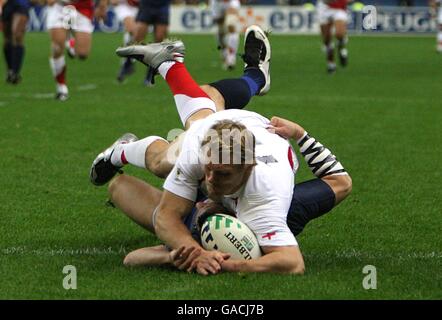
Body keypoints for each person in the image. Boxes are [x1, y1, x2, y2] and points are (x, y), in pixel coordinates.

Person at [90, 26, 351, 274]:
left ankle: (233, 74)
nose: (210, 181)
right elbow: (340, 182)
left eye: (222, 174)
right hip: (232, 131)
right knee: (169, 155)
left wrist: (190, 253)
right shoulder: (201, 151)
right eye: (209, 172)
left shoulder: (264, 200)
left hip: (245, 143)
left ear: (247, 168)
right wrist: (301, 135)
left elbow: (292, 263)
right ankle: (244, 75)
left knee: (202, 104)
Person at [46, 0, 108, 101]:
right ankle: (61, 87)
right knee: (57, 47)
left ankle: (70, 39)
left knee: (82, 54)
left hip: (83, 8)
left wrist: (102, 7)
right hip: (60, 7)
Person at [131, 0, 171, 85]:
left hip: (162, 5)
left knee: (160, 40)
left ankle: (149, 75)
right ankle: (128, 62)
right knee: (138, 38)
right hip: (147, 4)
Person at [1, 0, 31, 84]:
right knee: (7, 38)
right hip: (6, 3)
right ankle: (10, 70)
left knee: (17, 35)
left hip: (21, 3)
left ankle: (15, 72)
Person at [316, 0, 350, 73]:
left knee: (339, 34)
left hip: (338, 5)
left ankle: (341, 50)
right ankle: (331, 64)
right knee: (327, 39)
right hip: (323, 7)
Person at [111, 0, 139, 82]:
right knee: (131, 29)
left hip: (139, 6)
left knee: (135, 34)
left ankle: (127, 61)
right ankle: (128, 61)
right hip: (123, 6)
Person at [209, 0, 241, 70]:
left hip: (231, 2)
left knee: (231, 24)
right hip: (218, 4)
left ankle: (231, 57)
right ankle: (224, 53)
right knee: (221, 31)